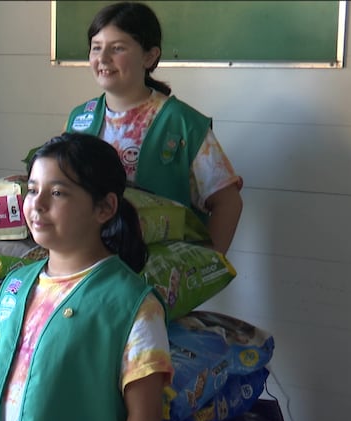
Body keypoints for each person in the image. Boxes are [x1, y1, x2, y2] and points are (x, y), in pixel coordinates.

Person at [0, 133, 174, 421]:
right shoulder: (15, 286)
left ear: (105, 207)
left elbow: (145, 416)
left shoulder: (132, 304)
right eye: (32, 190)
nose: (37, 204)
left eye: (57, 193)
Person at [64, 1, 242, 254]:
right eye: (96, 48)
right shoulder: (79, 118)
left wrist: (206, 263)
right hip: (90, 264)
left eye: (117, 48)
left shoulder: (182, 122)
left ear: (149, 56)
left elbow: (228, 202)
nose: (102, 59)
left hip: (158, 269)